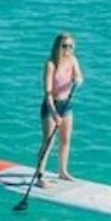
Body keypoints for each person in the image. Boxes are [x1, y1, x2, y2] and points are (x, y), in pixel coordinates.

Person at [37, 33, 84, 185]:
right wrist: (54, 114)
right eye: (64, 46)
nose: (68, 49)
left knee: (65, 140)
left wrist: (78, 80)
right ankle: (40, 176)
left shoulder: (73, 60)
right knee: (48, 142)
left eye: (71, 46)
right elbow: (48, 93)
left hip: (66, 105)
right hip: (51, 106)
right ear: (58, 46)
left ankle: (62, 171)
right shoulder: (51, 64)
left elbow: (80, 77)